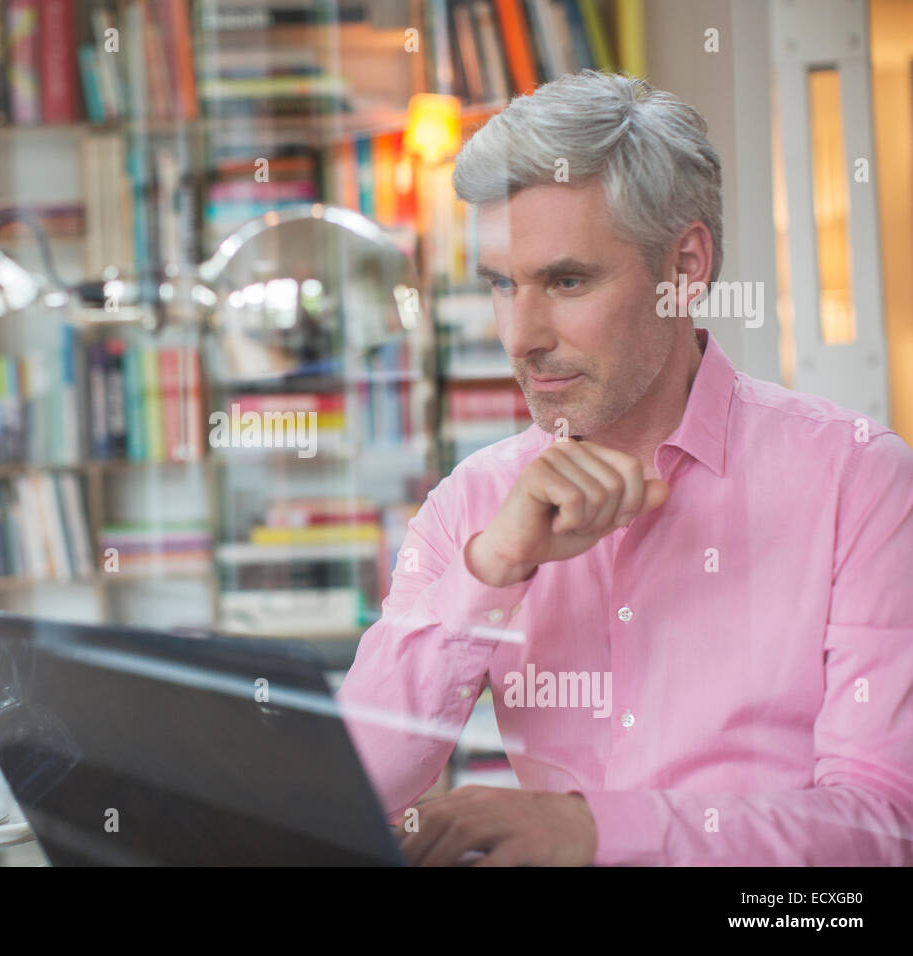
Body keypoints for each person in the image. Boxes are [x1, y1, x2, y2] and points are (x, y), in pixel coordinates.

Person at [335, 70, 913, 866]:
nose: (520, 336)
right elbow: (354, 793)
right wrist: (493, 568)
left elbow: (884, 827)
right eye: (502, 285)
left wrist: (595, 832)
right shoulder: (470, 508)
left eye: (566, 281)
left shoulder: (858, 478)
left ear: (685, 267)